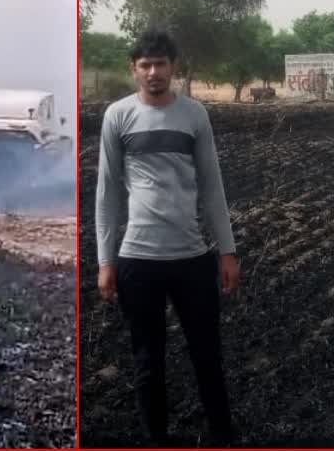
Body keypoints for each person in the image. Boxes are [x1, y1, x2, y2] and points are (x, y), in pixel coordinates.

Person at [95, 29, 240, 446]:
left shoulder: (194, 115)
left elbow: (212, 187)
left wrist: (226, 251)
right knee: (147, 362)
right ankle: (156, 439)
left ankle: (222, 436)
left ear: (173, 67)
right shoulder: (117, 117)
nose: (154, 72)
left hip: (192, 257)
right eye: (145, 65)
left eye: (161, 64)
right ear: (134, 69)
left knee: (207, 357)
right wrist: (106, 261)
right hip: (138, 260)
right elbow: (106, 196)